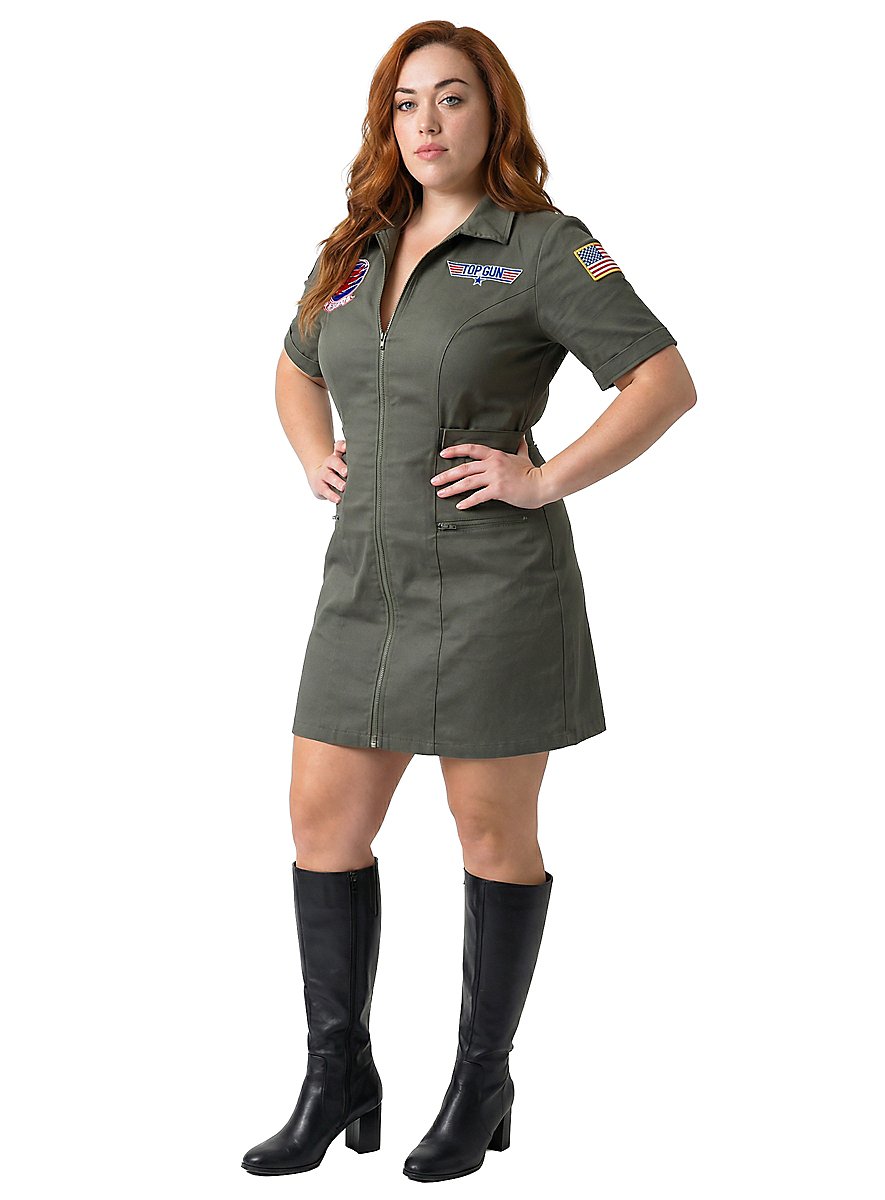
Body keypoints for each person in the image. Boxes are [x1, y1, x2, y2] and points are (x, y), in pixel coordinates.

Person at [241, 19, 696, 1184]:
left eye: (450, 98)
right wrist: (315, 455)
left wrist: (542, 477)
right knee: (320, 827)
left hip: (493, 587)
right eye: (406, 103)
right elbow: (295, 365)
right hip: (365, 582)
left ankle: (481, 1080)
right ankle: (337, 1075)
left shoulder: (543, 247)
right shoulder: (356, 247)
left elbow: (662, 380)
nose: (427, 122)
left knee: (492, 836)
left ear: (494, 113)